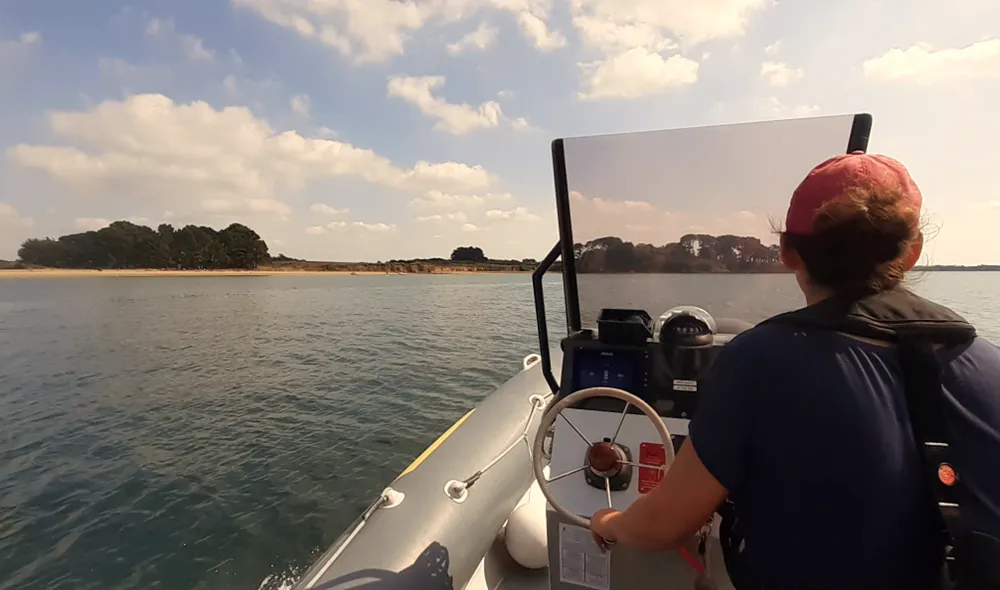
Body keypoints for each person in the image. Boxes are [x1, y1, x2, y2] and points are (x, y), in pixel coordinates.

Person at [588, 152, 1000, 589]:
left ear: (787, 252)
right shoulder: (988, 365)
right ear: (912, 251)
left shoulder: (756, 361)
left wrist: (608, 521)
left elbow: (663, 527)